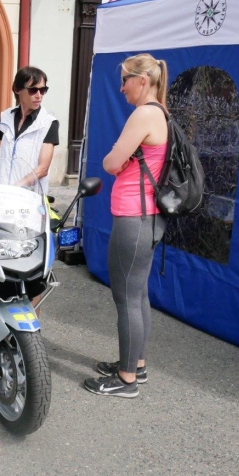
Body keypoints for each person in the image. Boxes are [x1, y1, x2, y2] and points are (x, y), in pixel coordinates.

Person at [84, 53, 169, 398]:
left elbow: (111, 162)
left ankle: (126, 379)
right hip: (148, 216)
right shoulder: (161, 112)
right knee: (138, 294)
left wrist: (113, 159)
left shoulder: (144, 113)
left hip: (135, 216)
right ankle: (137, 364)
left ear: (143, 81)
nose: (121, 89)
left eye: (125, 81)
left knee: (126, 298)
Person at [0, 66, 59, 195]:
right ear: (17, 89)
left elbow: (43, 168)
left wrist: (17, 186)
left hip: (28, 196)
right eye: (33, 90)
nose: (39, 95)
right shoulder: (6, 117)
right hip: (1, 193)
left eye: (43, 90)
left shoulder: (48, 122)